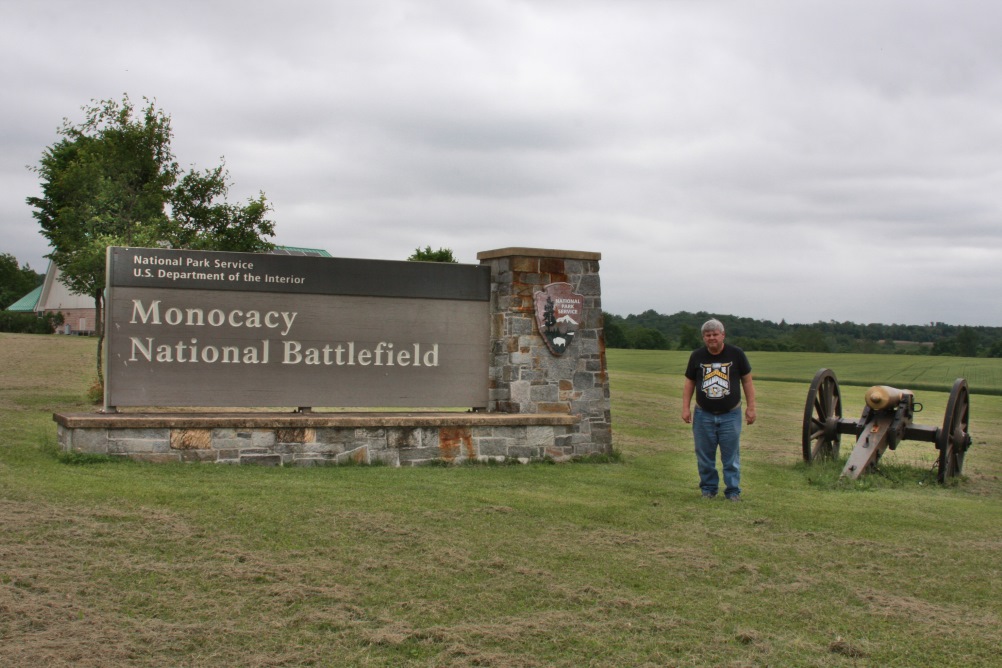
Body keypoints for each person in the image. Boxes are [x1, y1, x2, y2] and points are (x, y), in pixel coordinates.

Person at [681, 319, 756, 501]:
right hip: (703, 414)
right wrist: (685, 407)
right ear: (703, 337)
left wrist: (751, 407)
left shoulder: (736, 354)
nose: (712, 338)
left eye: (715, 334)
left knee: (730, 456)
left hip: (731, 414)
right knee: (705, 455)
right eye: (708, 335)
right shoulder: (697, 356)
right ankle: (708, 489)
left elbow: (747, 380)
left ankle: (732, 491)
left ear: (723, 335)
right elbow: (690, 382)